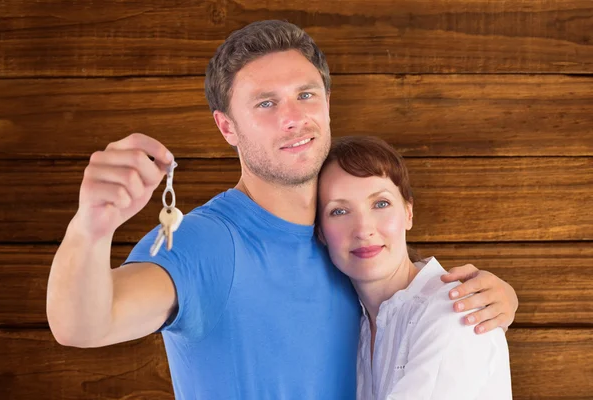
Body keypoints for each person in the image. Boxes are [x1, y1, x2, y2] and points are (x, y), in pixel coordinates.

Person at [46, 20, 518, 399]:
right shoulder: (205, 242)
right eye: (266, 103)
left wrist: (491, 300)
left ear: (328, 104)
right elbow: (84, 324)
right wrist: (91, 225)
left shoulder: (344, 241)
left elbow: (406, 305)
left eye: (305, 94)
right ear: (227, 127)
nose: (293, 117)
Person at [317, 135, 512, 399]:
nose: (363, 229)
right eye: (339, 211)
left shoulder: (456, 313)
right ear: (320, 232)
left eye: (380, 204)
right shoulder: (353, 322)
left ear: (408, 212)